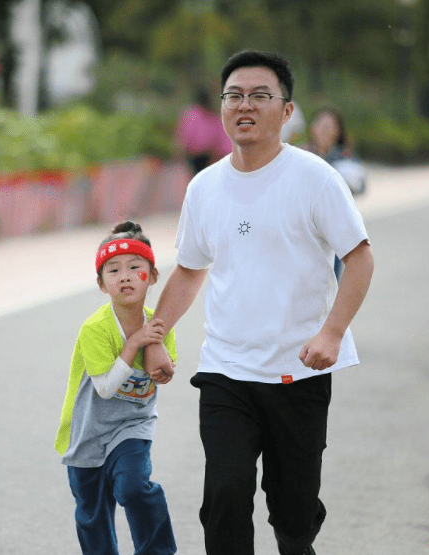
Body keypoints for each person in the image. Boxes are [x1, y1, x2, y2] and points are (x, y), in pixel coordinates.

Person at [145, 50, 374, 555]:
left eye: (259, 96)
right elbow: (188, 270)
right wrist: (153, 337)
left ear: (287, 111)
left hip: (300, 371)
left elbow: (358, 259)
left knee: (292, 515)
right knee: (225, 498)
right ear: (223, 107)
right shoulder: (204, 188)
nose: (244, 106)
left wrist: (332, 332)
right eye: (234, 96)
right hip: (227, 370)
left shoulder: (316, 179)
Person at [55, 220, 177, 555]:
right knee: (92, 516)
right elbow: (106, 389)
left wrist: (163, 369)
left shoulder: (161, 324)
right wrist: (134, 343)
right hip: (88, 432)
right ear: (101, 284)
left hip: (131, 427)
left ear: (151, 277)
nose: (124, 276)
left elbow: (165, 370)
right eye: (113, 270)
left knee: (135, 489)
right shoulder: (94, 329)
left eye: (135, 268)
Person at [304, 107, 367, 278]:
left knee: (331, 281)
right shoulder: (300, 156)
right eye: (322, 125)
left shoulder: (344, 158)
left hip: (334, 232)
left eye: (330, 127)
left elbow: (361, 186)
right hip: (304, 232)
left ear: (338, 132)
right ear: (312, 128)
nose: (325, 130)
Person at [173, 85, 233, 175]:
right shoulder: (210, 114)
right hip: (207, 153)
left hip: (197, 153)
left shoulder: (191, 113)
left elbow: (184, 133)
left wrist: (179, 147)